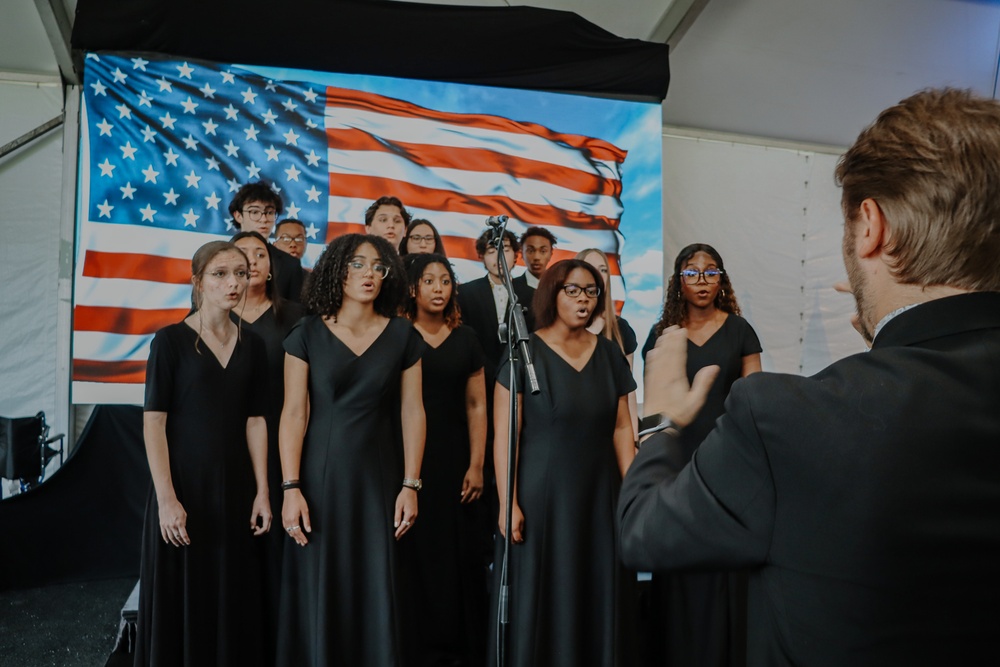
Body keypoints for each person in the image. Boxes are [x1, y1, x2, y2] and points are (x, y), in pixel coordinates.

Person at [619, 88, 1000, 666]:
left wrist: (660, 418)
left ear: (871, 226)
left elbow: (644, 530)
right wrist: (896, 340)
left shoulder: (787, 417)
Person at [276, 233, 426, 666]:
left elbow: (413, 413)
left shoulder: (402, 334)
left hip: (380, 481)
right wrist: (290, 487)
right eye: (358, 264)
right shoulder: (305, 332)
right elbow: (294, 414)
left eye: (379, 267)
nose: (369, 274)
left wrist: (410, 484)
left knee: (378, 585)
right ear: (337, 270)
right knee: (322, 584)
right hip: (319, 483)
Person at [489, 259, 638, 667]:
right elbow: (507, 435)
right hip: (541, 498)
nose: (584, 299)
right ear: (552, 293)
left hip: (600, 494)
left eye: (591, 291)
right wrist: (508, 503)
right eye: (573, 290)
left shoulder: (609, 353)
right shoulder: (524, 353)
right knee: (544, 592)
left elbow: (623, 429)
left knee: (599, 589)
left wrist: (635, 496)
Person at [135, 241, 271, 667]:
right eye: (220, 274)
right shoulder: (170, 342)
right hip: (185, 490)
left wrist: (264, 491)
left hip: (236, 490)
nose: (233, 283)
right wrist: (167, 500)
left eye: (240, 273)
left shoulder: (255, 345)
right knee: (186, 596)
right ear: (197, 282)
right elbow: (154, 422)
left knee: (233, 595)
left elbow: (255, 420)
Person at [634, 243, 761, 667]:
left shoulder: (740, 330)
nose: (702, 280)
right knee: (678, 561)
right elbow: (653, 398)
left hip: (726, 460)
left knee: (719, 563)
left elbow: (754, 399)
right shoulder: (662, 333)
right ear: (678, 282)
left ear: (721, 278)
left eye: (711, 272)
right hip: (675, 459)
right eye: (692, 273)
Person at [401, 252, 489, 667]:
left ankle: (459, 650)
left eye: (445, 281)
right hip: (408, 461)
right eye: (429, 281)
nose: (438, 288)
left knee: (458, 556)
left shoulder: (467, 338)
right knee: (414, 555)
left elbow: (476, 405)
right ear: (412, 288)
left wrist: (476, 464)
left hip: (456, 459)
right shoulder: (398, 335)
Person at [230, 231, 305, 665]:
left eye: (262, 254)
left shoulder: (294, 316)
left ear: (273, 265)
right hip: (229, 440)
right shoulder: (215, 315)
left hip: (282, 437)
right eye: (243, 255)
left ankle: (280, 642)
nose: (254, 261)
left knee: (277, 540)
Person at [577, 248, 640, 438]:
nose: (598, 274)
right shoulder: (564, 329)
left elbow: (628, 392)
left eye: (603, 269)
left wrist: (634, 441)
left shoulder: (622, 329)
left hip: (614, 431)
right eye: (591, 268)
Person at [229, 181, 305, 302]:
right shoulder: (217, 257)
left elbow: (297, 313)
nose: (264, 219)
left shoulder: (290, 264)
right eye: (254, 212)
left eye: (269, 213)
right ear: (238, 216)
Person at [513, 227, 557, 329]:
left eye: (543, 251)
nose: (536, 257)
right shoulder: (511, 289)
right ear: (522, 253)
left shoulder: (559, 288)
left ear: (551, 254)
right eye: (530, 250)